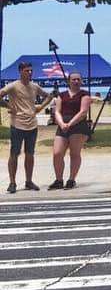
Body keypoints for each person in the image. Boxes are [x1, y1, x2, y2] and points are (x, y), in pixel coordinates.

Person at [1, 61, 54, 193]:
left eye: (31, 71)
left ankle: (28, 181)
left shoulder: (34, 86)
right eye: (27, 71)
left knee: (30, 154)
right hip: (17, 124)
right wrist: (9, 106)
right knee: (14, 153)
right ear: (20, 71)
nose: (29, 73)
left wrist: (41, 107)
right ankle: (12, 182)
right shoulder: (13, 86)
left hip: (32, 125)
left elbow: (48, 96)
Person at [49, 70, 92, 189]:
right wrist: (62, 123)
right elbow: (57, 111)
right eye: (74, 79)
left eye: (78, 79)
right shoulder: (61, 95)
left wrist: (70, 124)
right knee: (57, 153)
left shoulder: (85, 94)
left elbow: (83, 112)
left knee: (74, 153)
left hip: (78, 126)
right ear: (69, 81)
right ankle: (58, 180)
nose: (76, 81)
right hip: (62, 125)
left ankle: (71, 179)